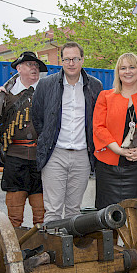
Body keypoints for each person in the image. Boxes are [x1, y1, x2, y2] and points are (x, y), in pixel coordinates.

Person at [32, 42, 102, 222]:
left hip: (82, 157)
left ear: (82, 60)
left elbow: (97, 119)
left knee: (73, 211)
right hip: (54, 154)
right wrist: (48, 140)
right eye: (67, 59)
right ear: (62, 61)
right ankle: (52, 249)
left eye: (75, 59)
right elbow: (37, 118)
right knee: (53, 210)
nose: (71, 63)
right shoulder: (46, 85)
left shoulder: (95, 86)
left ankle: (69, 250)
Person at [0, 51, 46, 228]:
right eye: (29, 65)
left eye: (36, 66)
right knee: (14, 211)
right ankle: (15, 243)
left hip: (41, 156)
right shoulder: (7, 93)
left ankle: (42, 240)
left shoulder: (46, 91)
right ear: (18, 68)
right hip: (15, 156)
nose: (34, 68)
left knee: (42, 210)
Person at [92, 53, 137, 209]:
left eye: (132, 67)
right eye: (123, 68)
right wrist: (117, 149)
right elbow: (99, 127)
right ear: (118, 72)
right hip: (108, 165)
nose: (127, 71)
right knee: (107, 216)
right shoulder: (105, 96)